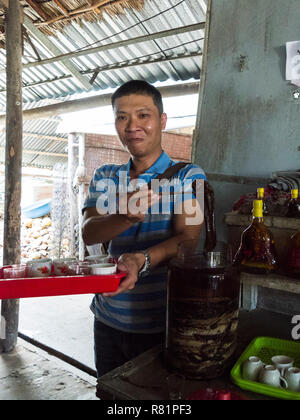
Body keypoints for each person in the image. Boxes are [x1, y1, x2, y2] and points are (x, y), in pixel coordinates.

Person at [82, 80, 206, 377]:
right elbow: (89, 232)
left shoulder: (190, 175)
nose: (132, 125)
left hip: (160, 321)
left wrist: (142, 259)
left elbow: (189, 241)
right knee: (110, 392)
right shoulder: (105, 175)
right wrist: (124, 217)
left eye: (143, 115)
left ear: (162, 120)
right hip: (108, 316)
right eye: (122, 117)